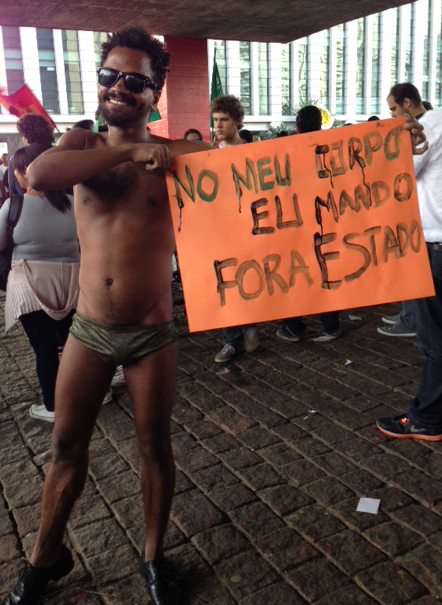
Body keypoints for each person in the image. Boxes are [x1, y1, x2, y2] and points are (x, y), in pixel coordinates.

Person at [1, 26, 207, 605]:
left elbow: (254, 164)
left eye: (135, 81)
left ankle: (152, 558)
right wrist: (129, 150)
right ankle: (44, 560)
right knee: (65, 449)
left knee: (155, 449)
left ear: (155, 93)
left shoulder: (176, 159)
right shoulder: (81, 146)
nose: (119, 87)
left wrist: (387, 147)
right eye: (110, 76)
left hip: (152, 332)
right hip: (88, 332)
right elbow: (38, 176)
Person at [377, 99, 442, 441]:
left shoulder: (434, 123)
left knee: (435, 339)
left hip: (436, 247)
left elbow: (399, 174)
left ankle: (427, 419)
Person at [0, 144, 80, 423]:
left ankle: (54, 407)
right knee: (75, 345)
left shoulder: (14, 205)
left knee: (45, 349)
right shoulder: (75, 203)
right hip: (73, 285)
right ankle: (92, 395)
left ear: (25, 172)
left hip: (30, 286)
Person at [276, 106, 341, 344]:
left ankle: (293, 327)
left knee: (295, 274)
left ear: (298, 125)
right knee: (325, 272)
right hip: (325, 220)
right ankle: (331, 327)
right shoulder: (332, 148)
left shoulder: (287, 150)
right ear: (320, 124)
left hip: (294, 222)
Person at [378, 83, 429, 338]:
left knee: (413, 270)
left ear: (407, 103)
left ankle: (411, 320)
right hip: (418, 214)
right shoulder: (423, 125)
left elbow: (407, 171)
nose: (392, 115)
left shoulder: (423, 128)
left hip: (424, 219)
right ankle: (409, 315)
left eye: (394, 108)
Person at [211, 94, 260, 362]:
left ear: (237, 121)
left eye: (224, 120)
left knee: (250, 278)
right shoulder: (206, 157)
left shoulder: (253, 153)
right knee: (225, 283)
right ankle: (231, 341)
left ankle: (252, 324)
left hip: (251, 228)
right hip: (221, 232)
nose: (218, 125)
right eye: (215, 120)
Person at [8, 114, 55, 196]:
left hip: (28, 207)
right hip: (65, 206)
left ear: (25, 136)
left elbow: (14, 190)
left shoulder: (18, 159)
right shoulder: (59, 153)